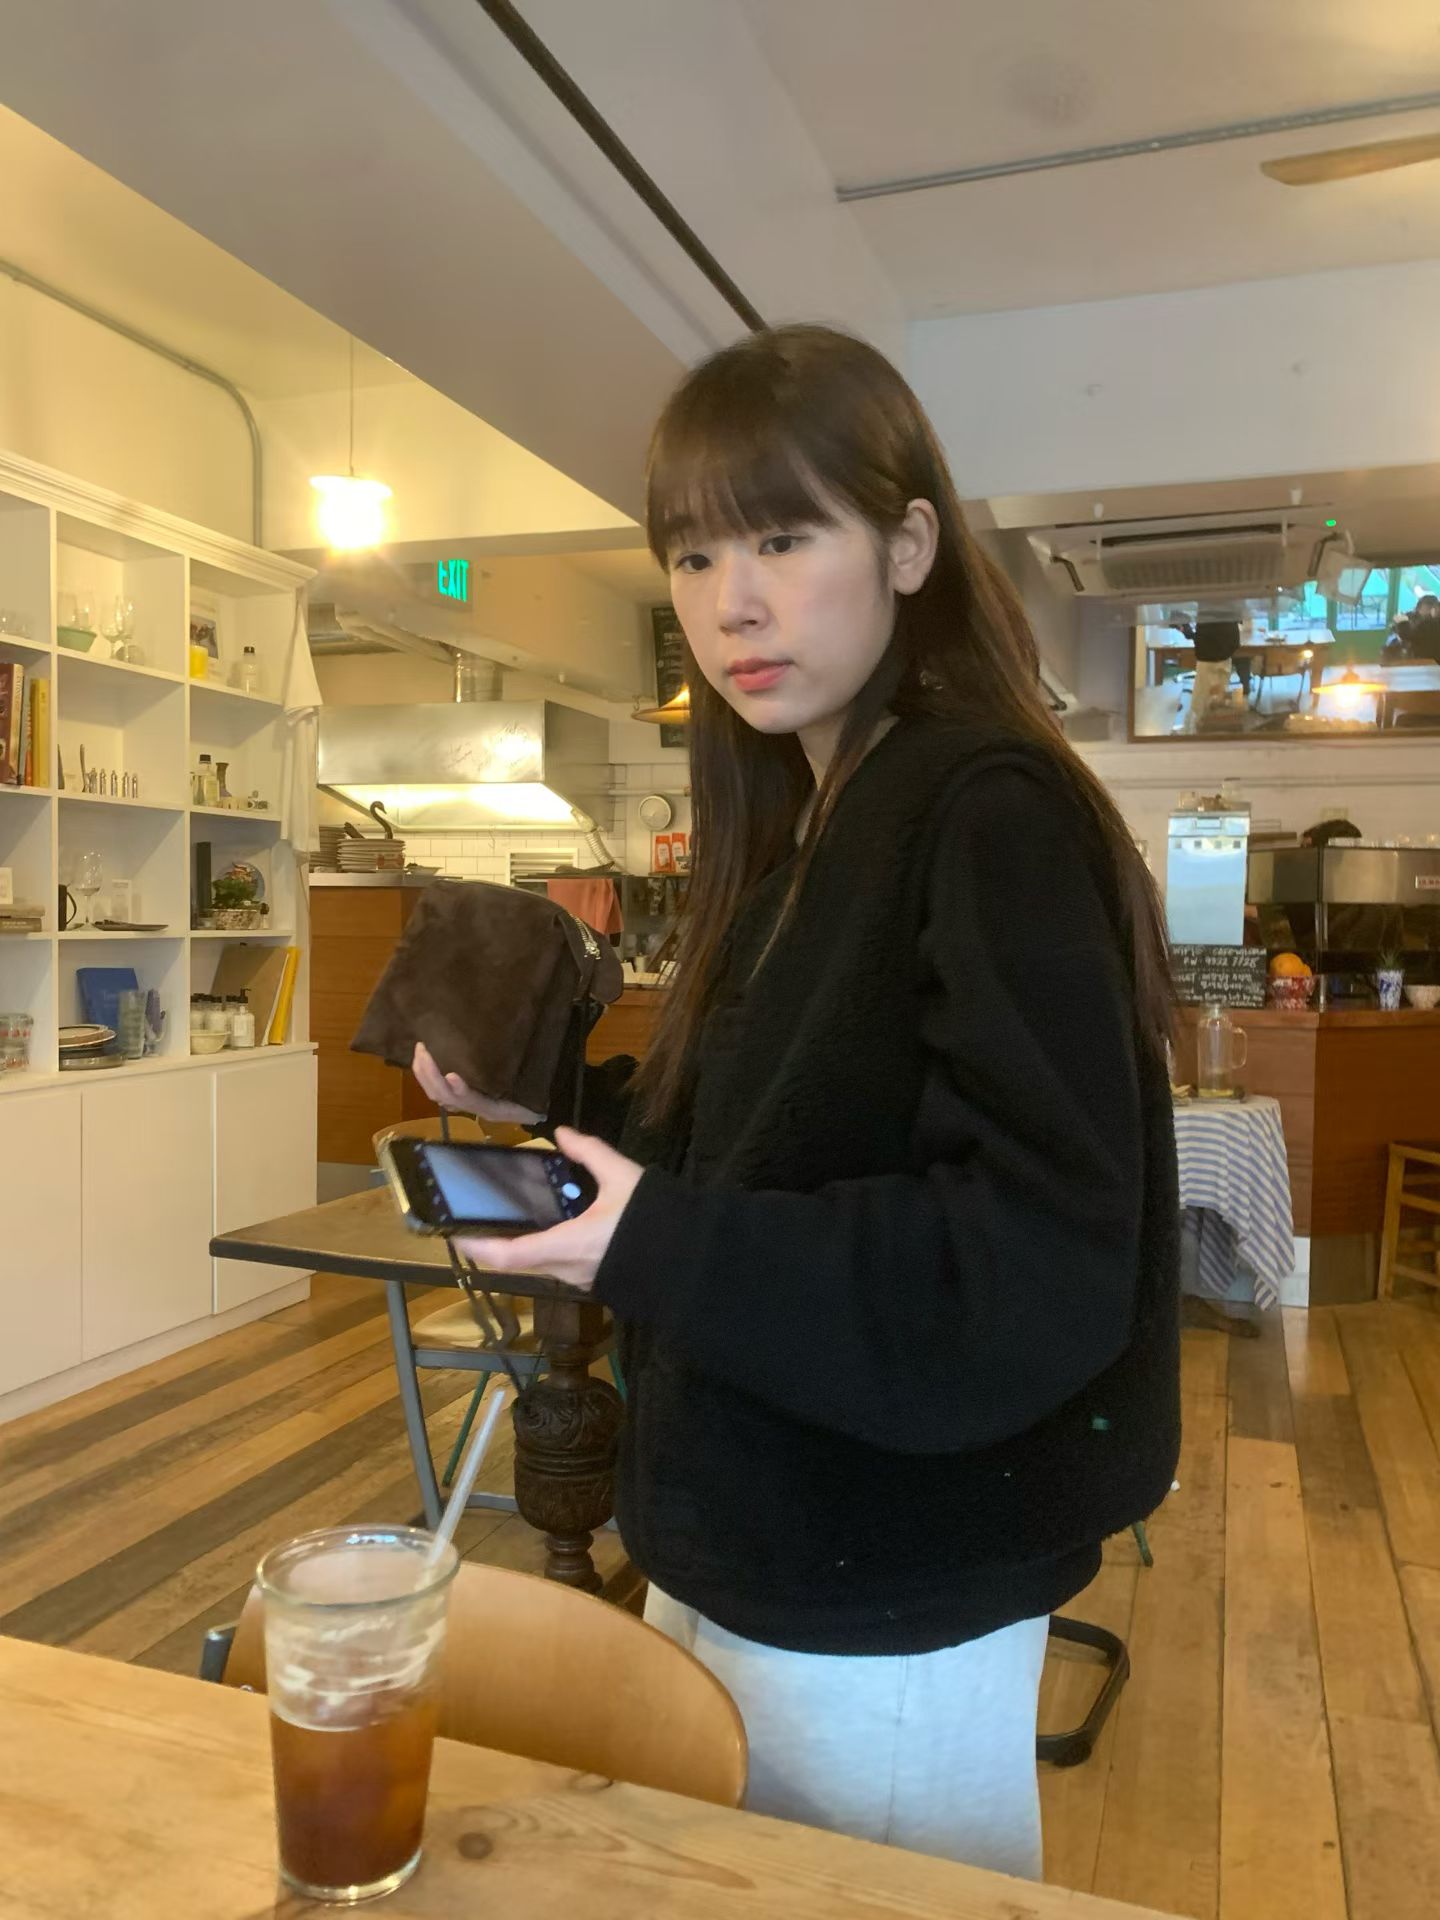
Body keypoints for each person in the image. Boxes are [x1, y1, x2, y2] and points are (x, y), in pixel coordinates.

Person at [412, 325, 1180, 1880]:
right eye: (695, 557)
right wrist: (546, 1096)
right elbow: (761, 1146)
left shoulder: (984, 808)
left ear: (908, 546)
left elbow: (1031, 1259)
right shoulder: (808, 820)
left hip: (883, 1580)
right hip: (749, 1535)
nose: (732, 604)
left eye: (782, 538)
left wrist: (645, 1242)